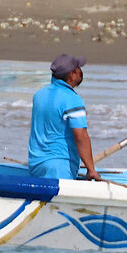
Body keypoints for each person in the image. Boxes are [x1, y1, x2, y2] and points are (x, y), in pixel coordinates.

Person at [27, 54, 101, 182]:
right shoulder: (72, 99)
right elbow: (81, 136)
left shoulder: (39, 95)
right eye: (78, 69)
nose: (81, 72)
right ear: (71, 74)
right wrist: (91, 170)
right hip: (59, 166)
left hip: (36, 164)